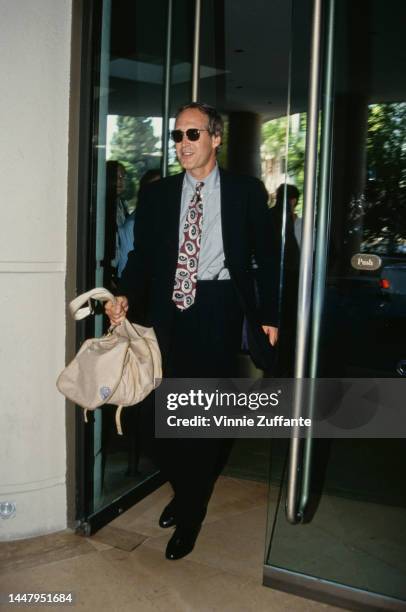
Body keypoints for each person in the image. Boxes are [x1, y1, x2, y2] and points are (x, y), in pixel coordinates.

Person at [105, 102, 279, 560]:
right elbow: (142, 257)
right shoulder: (160, 195)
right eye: (177, 136)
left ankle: (193, 507)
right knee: (156, 414)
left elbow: (270, 258)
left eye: (192, 135)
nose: (182, 144)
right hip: (166, 312)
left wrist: (269, 315)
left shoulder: (245, 192)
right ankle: (186, 489)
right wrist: (124, 293)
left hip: (218, 309)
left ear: (215, 138)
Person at [270, 183, 301, 376]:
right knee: (289, 323)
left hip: (274, 275)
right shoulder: (285, 218)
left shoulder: (270, 215)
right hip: (289, 275)